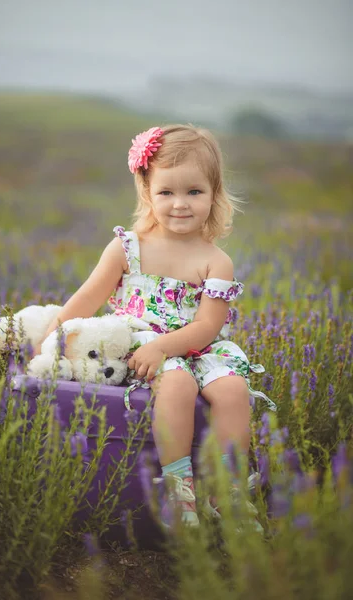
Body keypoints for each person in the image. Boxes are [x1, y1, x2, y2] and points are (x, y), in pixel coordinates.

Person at [36, 124, 276, 530]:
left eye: (194, 192)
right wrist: (50, 341)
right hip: (141, 347)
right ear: (147, 193)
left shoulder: (215, 261)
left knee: (234, 390)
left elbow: (207, 326)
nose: (179, 204)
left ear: (214, 194)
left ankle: (225, 489)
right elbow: (85, 300)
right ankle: (179, 489)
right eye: (167, 192)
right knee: (178, 384)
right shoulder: (127, 247)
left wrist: (170, 346)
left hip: (196, 346)